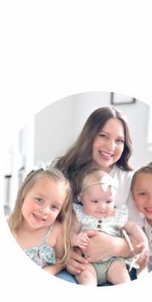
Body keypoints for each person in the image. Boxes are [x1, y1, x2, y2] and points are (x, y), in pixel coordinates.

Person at [52, 108, 140, 283]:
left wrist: (114, 246)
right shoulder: (64, 172)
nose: (111, 147)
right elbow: (49, 223)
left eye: (119, 140)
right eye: (103, 136)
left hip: (116, 263)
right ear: (89, 136)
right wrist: (65, 255)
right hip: (74, 263)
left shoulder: (130, 180)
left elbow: (140, 240)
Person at [64, 164, 146, 287]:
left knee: (123, 276)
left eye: (108, 201)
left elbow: (133, 227)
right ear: (82, 198)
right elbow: (68, 233)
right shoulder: (80, 216)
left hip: (112, 261)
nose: (102, 207)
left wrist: (144, 241)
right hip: (87, 263)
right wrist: (75, 239)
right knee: (87, 281)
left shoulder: (116, 215)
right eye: (95, 201)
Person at [4, 165, 74, 275]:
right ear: (24, 195)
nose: (45, 210)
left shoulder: (57, 231)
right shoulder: (9, 227)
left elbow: (60, 262)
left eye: (54, 207)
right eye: (39, 200)